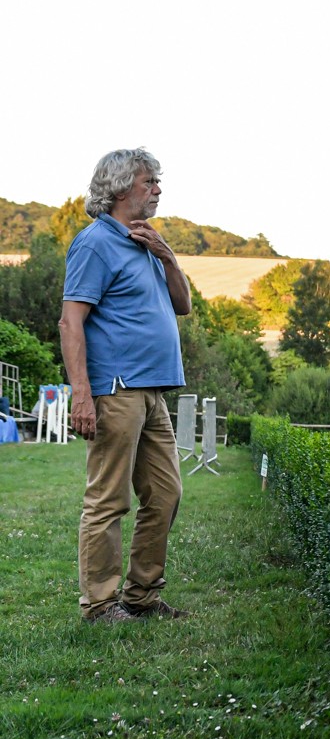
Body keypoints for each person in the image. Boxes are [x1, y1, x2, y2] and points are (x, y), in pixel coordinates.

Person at [59, 148, 193, 623]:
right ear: (119, 189)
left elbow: (183, 306)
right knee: (108, 499)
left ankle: (142, 596)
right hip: (115, 388)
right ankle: (99, 605)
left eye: (157, 181)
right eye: (149, 181)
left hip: (153, 390)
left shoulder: (147, 242)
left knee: (166, 494)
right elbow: (71, 322)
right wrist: (82, 395)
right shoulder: (95, 243)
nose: (157, 188)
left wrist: (169, 256)